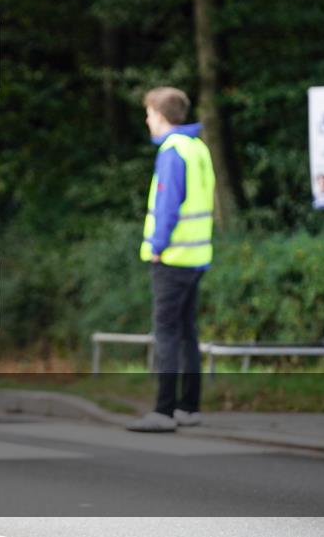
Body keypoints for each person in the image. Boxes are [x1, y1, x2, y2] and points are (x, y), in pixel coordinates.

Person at [127, 87, 215, 434]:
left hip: (173, 256)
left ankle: (163, 411)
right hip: (197, 255)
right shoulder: (198, 148)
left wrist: (158, 247)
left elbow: (167, 206)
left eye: (149, 113)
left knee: (165, 333)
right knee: (187, 333)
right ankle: (188, 407)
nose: (147, 120)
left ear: (160, 115)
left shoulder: (172, 150)